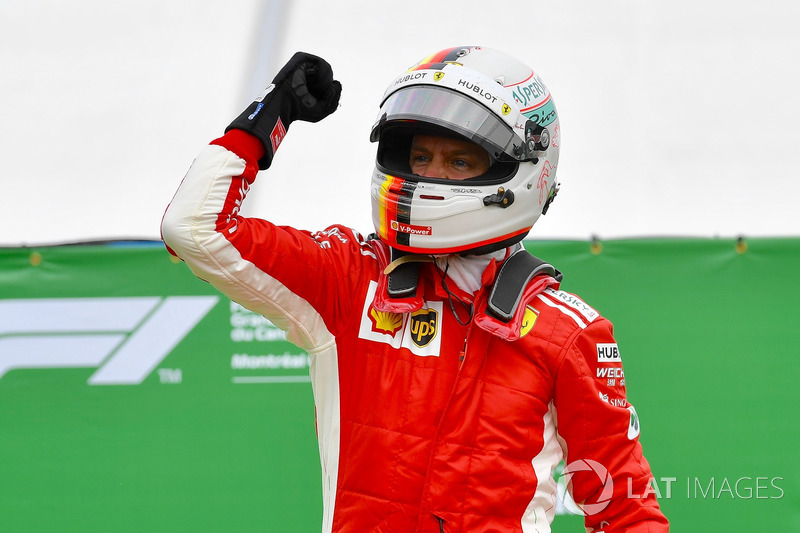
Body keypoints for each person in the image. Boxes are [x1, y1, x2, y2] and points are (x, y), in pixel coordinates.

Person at [162, 46, 669, 533]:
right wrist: (270, 116)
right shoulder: (350, 280)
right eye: (420, 156)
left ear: (522, 170)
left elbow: (625, 511)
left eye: (459, 161)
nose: (428, 177)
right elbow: (194, 227)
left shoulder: (567, 333)